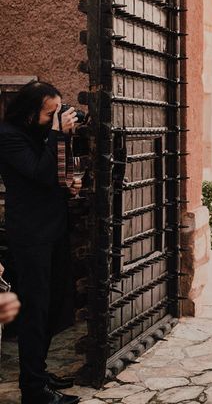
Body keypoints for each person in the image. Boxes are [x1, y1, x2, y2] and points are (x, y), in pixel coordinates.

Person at [0, 80, 82, 404]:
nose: (55, 118)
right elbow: (38, 172)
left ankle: (39, 372)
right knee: (34, 312)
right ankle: (32, 389)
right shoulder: (7, 137)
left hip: (54, 230)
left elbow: (55, 175)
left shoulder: (41, 135)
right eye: (50, 114)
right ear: (31, 112)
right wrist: (57, 134)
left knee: (51, 309)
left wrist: (70, 184)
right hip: (31, 237)